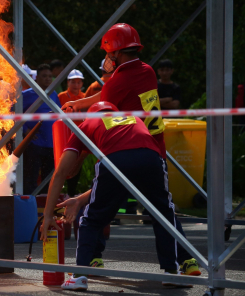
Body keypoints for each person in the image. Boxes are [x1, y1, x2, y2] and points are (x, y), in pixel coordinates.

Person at [40, 102, 201, 291]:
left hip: (114, 159)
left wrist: (48, 214)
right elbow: (124, 178)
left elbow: (60, 173)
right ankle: (172, 273)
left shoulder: (87, 124)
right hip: (151, 158)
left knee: (91, 219)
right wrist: (80, 199)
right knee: (164, 214)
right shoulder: (134, 118)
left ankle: (79, 276)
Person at [61, 23, 167, 159]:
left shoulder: (116, 83)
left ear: (118, 52)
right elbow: (116, 92)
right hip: (158, 150)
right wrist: (78, 104)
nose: (107, 58)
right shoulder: (148, 71)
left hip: (132, 153)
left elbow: (98, 124)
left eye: (108, 52)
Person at [21, 63, 61, 195]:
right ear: (37, 78)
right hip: (34, 144)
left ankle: (44, 207)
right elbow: (12, 112)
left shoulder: (54, 94)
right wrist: (26, 129)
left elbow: (60, 115)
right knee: (30, 178)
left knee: (48, 179)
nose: (48, 79)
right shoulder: (26, 95)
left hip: (51, 144)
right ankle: (29, 206)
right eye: (44, 76)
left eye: (50, 76)